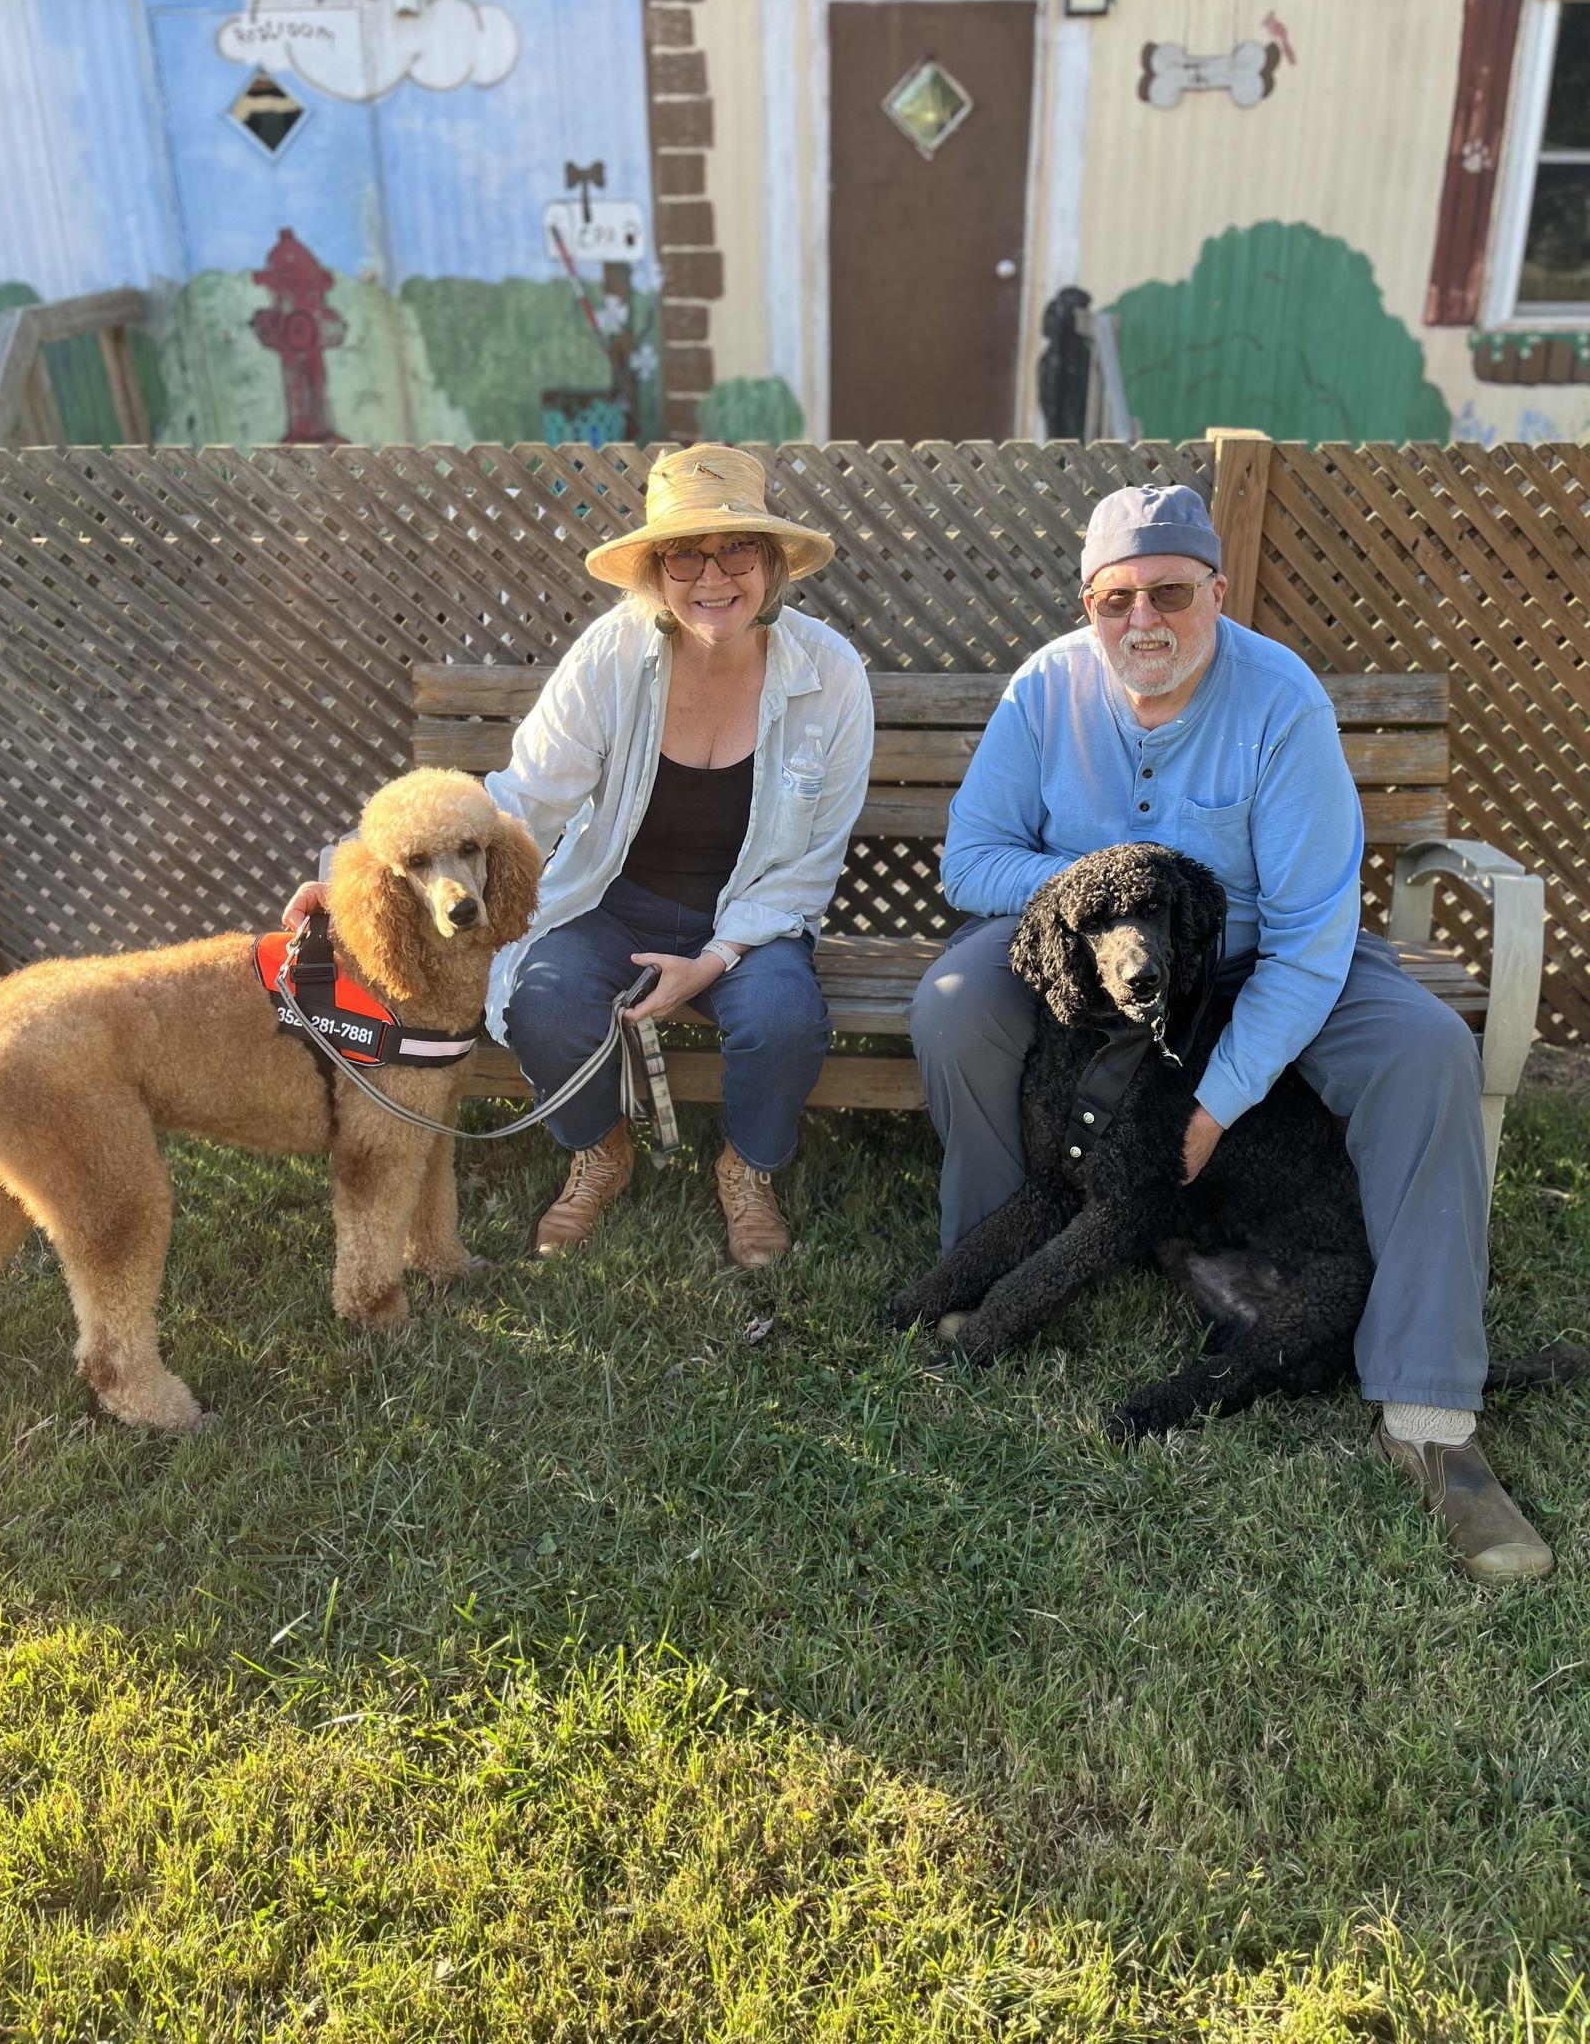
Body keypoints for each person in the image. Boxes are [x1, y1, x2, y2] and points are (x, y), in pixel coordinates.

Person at [907, 482, 1553, 1585]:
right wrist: (1111, 895)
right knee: (958, 1002)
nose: (1142, 621)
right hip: (1104, 955)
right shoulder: (1047, 687)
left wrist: (1214, 1107)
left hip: (1266, 952)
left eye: (1169, 592)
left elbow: (1310, 932)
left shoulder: (1279, 699)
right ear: (1088, 602)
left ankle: (1430, 1414)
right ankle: (989, 1270)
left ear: (1215, 590)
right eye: (1117, 599)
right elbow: (970, 860)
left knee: (1424, 1051)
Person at [484, 443, 870, 1265]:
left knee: (783, 1019)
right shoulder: (612, 656)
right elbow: (524, 800)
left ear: (770, 563)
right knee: (540, 1000)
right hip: (615, 902)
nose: (712, 575)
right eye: (683, 553)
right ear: (654, 573)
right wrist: (361, 872)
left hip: (753, 915)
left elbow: (810, 865)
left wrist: (719, 956)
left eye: (736, 548)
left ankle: (747, 1169)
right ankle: (601, 1148)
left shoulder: (832, 675)